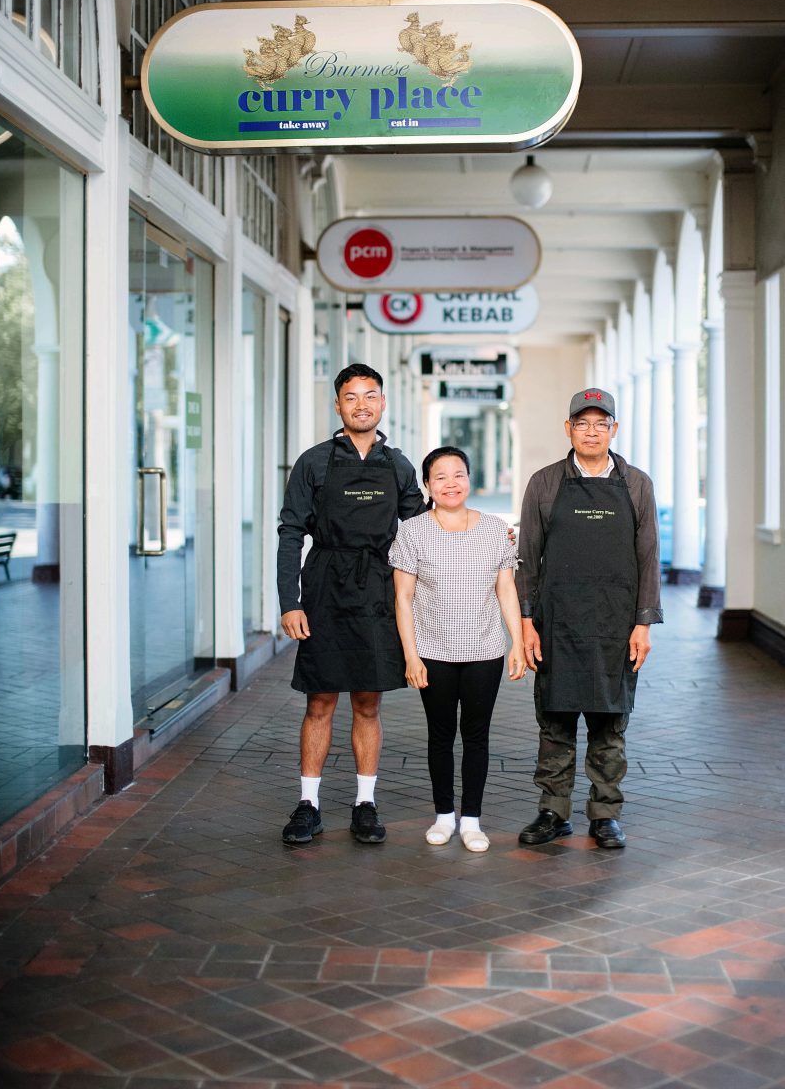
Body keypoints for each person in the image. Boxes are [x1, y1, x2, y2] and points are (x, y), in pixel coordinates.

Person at [277, 363, 426, 845]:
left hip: (377, 589)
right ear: (337, 405)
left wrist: (482, 532)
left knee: (368, 701)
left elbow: (423, 529)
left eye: (370, 395)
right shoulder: (314, 462)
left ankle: (365, 802)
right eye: (351, 396)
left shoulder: (400, 465)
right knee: (319, 700)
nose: (361, 404)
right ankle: (309, 804)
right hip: (323, 585)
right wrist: (289, 601)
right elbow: (290, 533)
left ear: (383, 403)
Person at [516, 388, 662, 850]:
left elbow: (649, 556)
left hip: (615, 623)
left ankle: (604, 814)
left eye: (602, 423)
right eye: (583, 423)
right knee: (555, 722)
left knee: (609, 722)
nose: (593, 431)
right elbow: (527, 557)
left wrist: (643, 623)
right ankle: (552, 811)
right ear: (569, 429)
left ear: (613, 429)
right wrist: (525, 620)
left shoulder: (636, 483)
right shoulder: (544, 482)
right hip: (556, 620)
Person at [389, 446, 525, 854]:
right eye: (441, 476)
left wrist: (516, 641)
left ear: (469, 479)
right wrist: (411, 656)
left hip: (485, 651)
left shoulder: (495, 529)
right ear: (428, 485)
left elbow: (506, 590)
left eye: (459, 474)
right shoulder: (412, 531)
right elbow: (403, 599)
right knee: (440, 735)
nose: (451, 483)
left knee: (477, 736)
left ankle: (471, 820)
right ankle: (444, 816)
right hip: (433, 651)